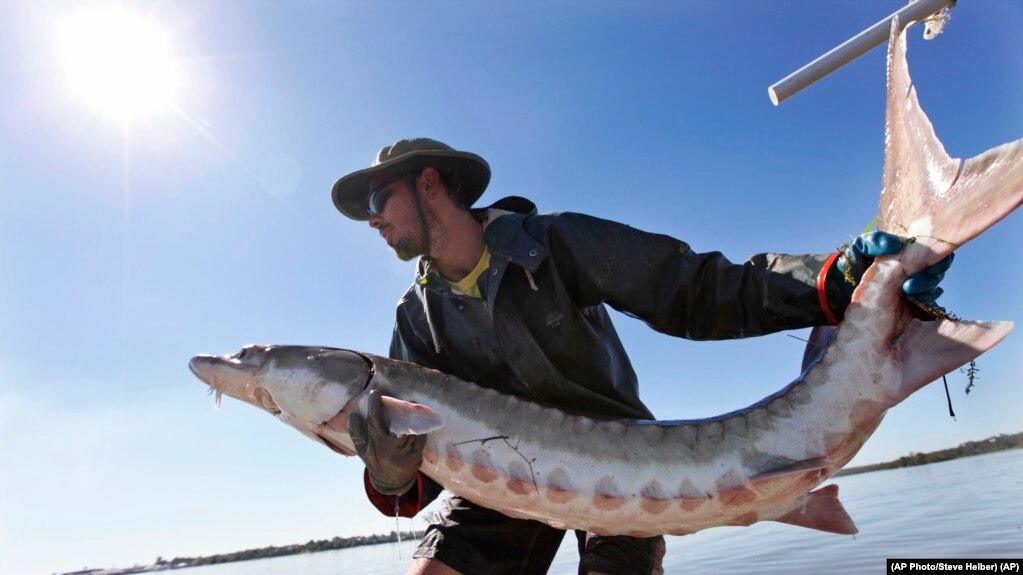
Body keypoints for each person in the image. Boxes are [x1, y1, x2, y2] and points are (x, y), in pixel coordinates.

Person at [331, 138, 950, 575]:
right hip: (501, 488)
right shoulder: (414, 318)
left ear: (429, 182)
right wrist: (387, 476)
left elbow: (693, 289)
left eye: (378, 199)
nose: (372, 220)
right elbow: (413, 472)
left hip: (623, 464)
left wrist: (833, 279)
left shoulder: (553, 243)